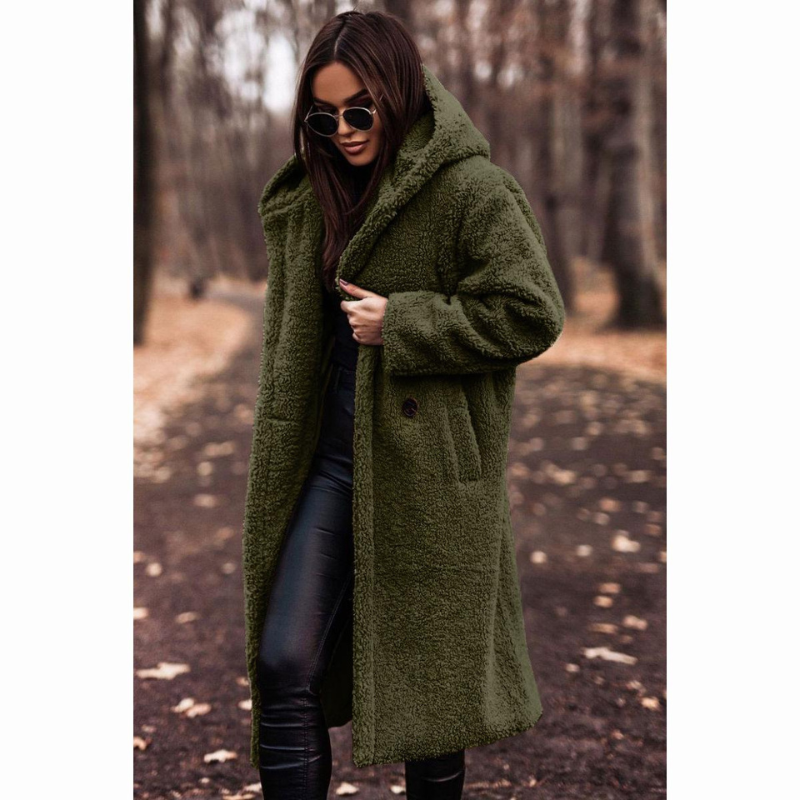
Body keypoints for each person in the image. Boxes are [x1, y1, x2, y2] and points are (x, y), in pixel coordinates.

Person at [243, 10, 566, 800]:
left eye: (361, 111)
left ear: (399, 94)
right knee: (284, 661)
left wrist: (409, 322)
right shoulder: (309, 198)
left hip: (431, 476)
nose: (344, 131)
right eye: (324, 118)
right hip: (327, 467)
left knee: (435, 706)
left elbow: (533, 311)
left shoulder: (472, 191)